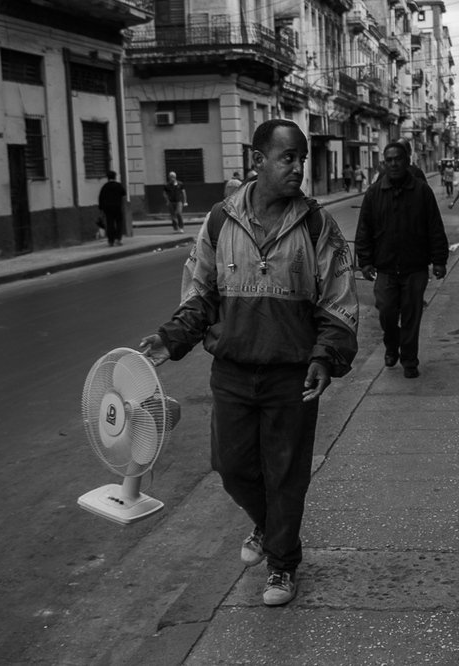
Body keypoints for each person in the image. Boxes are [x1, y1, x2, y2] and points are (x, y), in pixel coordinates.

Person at [139, 119, 359, 607]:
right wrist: (170, 339)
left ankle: (283, 563)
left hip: (291, 375)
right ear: (257, 161)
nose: (298, 168)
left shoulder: (318, 225)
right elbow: (201, 293)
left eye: (302, 158)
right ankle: (267, 525)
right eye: (287, 158)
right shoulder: (220, 221)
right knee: (231, 466)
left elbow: (338, 300)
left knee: (286, 472)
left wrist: (324, 357)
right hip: (233, 373)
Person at [355, 141, 449, 379]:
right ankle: (391, 343)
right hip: (385, 268)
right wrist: (365, 262)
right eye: (389, 160)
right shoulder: (374, 193)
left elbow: (434, 227)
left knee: (411, 316)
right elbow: (364, 230)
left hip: (415, 267)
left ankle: (409, 360)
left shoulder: (421, 191)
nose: (394, 164)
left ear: (407, 161)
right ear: (383, 164)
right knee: (386, 311)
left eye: (398, 159)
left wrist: (439, 260)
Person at [97, 171, 126, 247]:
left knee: (110, 224)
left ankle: (111, 241)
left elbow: (101, 198)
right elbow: (124, 193)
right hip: (117, 207)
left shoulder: (105, 187)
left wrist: (101, 209)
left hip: (108, 208)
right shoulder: (118, 186)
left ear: (108, 178)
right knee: (119, 223)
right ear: (115, 177)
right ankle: (118, 239)